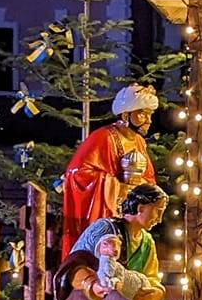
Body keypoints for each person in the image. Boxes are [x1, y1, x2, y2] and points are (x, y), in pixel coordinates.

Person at [54, 182, 169, 300]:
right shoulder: (106, 229)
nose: (159, 219)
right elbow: (72, 268)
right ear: (141, 208)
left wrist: (155, 294)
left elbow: (152, 278)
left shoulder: (147, 243)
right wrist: (92, 284)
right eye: (158, 211)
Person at [60, 83, 159, 255]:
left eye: (150, 115)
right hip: (105, 215)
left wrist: (141, 188)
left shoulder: (139, 142)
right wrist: (115, 186)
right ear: (127, 114)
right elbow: (77, 174)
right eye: (143, 114)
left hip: (130, 215)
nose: (149, 120)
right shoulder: (103, 137)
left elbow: (148, 178)